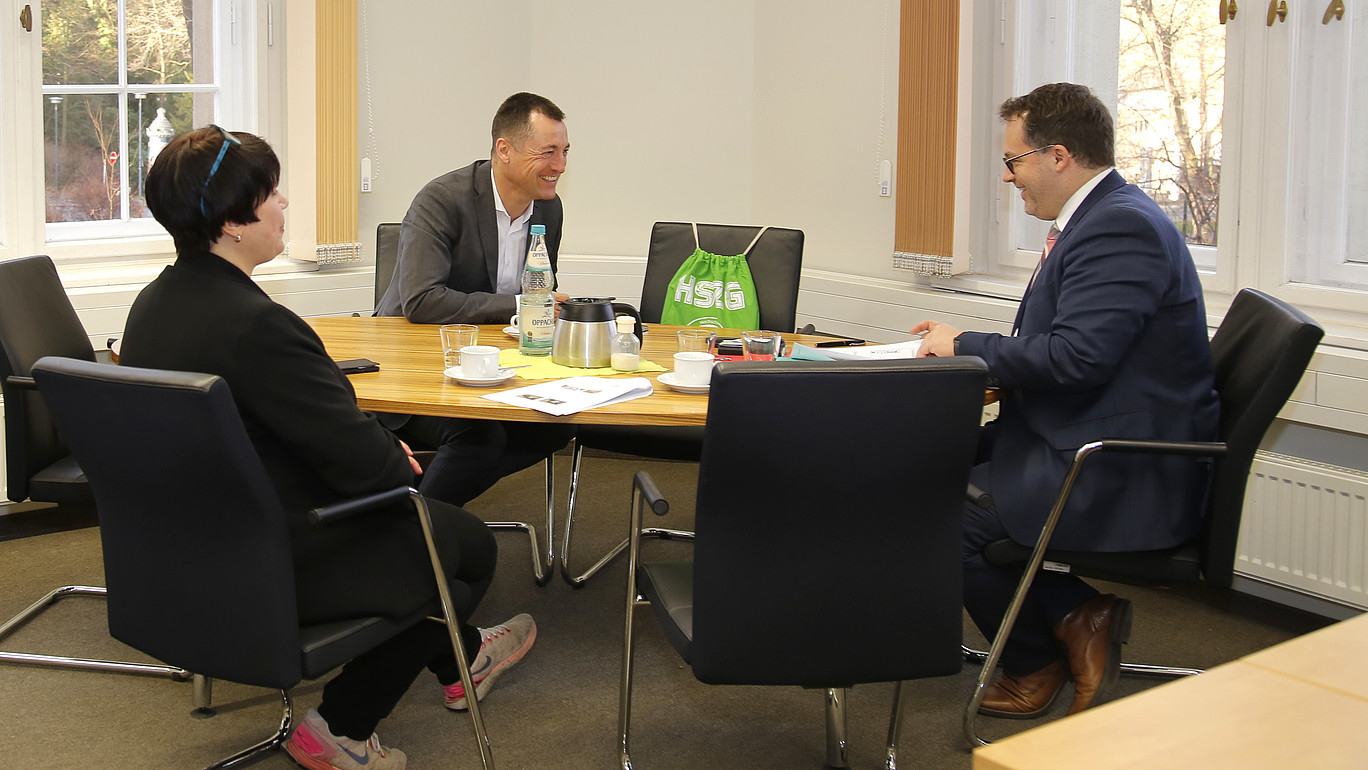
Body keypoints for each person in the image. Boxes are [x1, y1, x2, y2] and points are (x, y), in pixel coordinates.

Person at [121, 125, 536, 770]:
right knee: (463, 548)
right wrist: (390, 455)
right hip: (277, 547)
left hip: (183, 547)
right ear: (232, 221)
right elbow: (366, 467)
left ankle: (465, 657)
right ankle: (343, 725)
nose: (284, 202)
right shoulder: (261, 326)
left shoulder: (152, 306)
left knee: (434, 531)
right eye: (271, 193)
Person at [912, 83, 1220, 719]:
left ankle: (1038, 656)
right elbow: (1070, 345)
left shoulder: (1120, 227)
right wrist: (968, 347)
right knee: (914, 468)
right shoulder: (1101, 217)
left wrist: (964, 345)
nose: (1008, 177)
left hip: (1116, 462)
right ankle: (1076, 613)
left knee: (940, 519)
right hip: (1074, 428)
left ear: (1057, 156)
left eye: (1013, 161)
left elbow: (1078, 357)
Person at [373, 91, 574, 507]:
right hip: (415, 366)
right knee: (480, 438)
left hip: (494, 364)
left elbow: (539, 293)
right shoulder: (443, 199)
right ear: (504, 150)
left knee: (558, 424)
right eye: (548, 152)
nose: (560, 166)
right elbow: (422, 301)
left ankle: (427, 505)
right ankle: (414, 529)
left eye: (565, 152)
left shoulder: (548, 210)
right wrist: (522, 305)